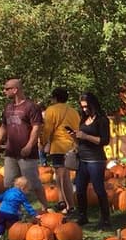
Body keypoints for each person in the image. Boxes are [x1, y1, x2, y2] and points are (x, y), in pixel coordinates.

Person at [0, 77, 51, 209]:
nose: (4, 91)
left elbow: (36, 127)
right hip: (11, 152)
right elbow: (4, 126)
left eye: (7, 88)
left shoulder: (31, 107)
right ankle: (14, 210)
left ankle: (46, 208)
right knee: (9, 183)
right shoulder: (8, 107)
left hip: (27, 153)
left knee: (34, 183)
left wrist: (29, 146)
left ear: (15, 90)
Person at [71, 92, 112, 229]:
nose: (84, 109)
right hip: (82, 158)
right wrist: (75, 137)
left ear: (93, 104)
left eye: (86, 106)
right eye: (82, 107)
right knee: (80, 189)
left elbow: (104, 141)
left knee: (98, 188)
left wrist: (86, 136)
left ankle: (105, 218)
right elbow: (81, 138)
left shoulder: (102, 120)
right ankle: (83, 215)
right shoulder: (84, 119)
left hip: (96, 159)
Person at [41, 87, 80, 213]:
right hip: (71, 146)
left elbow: (47, 129)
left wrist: (43, 142)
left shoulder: (51, 110)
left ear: (55, 98)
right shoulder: (74, 111)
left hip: (58, 146)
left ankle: (67, 204)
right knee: (62, 175)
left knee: (62, 176)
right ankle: (63, 202)